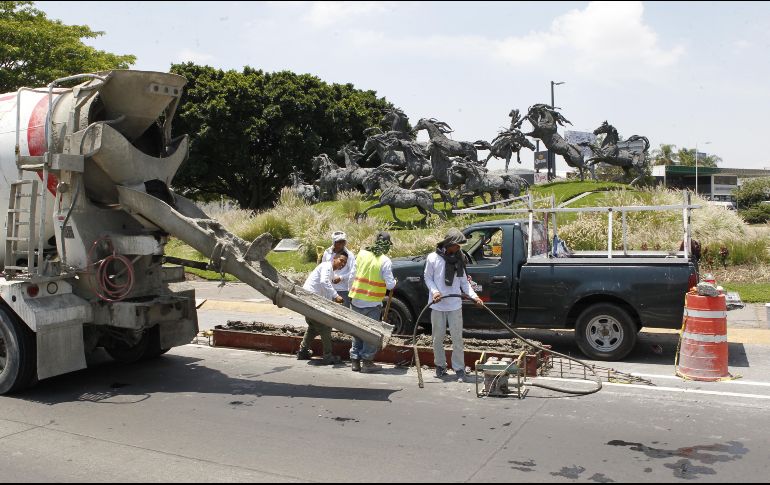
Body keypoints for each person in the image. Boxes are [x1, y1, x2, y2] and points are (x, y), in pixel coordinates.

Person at [424, 228, 483, 382]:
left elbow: (464, 282)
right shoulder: (433, 258)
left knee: (457, 339)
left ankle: (459, 368)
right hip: (437, 305)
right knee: (437, 338)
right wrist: (435, 292)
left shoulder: (460, 259)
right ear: (448, 243)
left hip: (454, 305)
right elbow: (428, 278)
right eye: (456, 245)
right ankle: (440, 366)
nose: (458, 248)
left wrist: (475, 297)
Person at [348, 231, 396, 373]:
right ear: (387, 245)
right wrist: (394, 282)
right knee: (371, 333)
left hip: (356, 300)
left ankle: (355, 361)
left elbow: (352, 275)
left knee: (357, 331)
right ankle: (367, 362)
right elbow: (390, 285)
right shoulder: (385, 261)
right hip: (372, 303)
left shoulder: (362, 254)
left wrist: (350, 291)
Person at [296, 251, 349, 365]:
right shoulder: (326, 266)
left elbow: (326, 285)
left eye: (345, 262)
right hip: (311, 301)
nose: (342, 264)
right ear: (334, 258)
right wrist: (336, 296)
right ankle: (328, 356)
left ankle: (303, 351)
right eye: (341, 260)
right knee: (325, 326)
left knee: (313, 327)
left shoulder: (329, 270)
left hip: (311, 302)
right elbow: (324, 282)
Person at [321, 231, 355, 307]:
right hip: (329, 289)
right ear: (334, 242)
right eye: (339, 242)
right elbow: (323, 268)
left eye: (344, 242)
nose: (342, 244)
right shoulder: (327, 253)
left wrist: (341, 277)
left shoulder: (350, 255)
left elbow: (353, 272)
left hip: (343, 290)